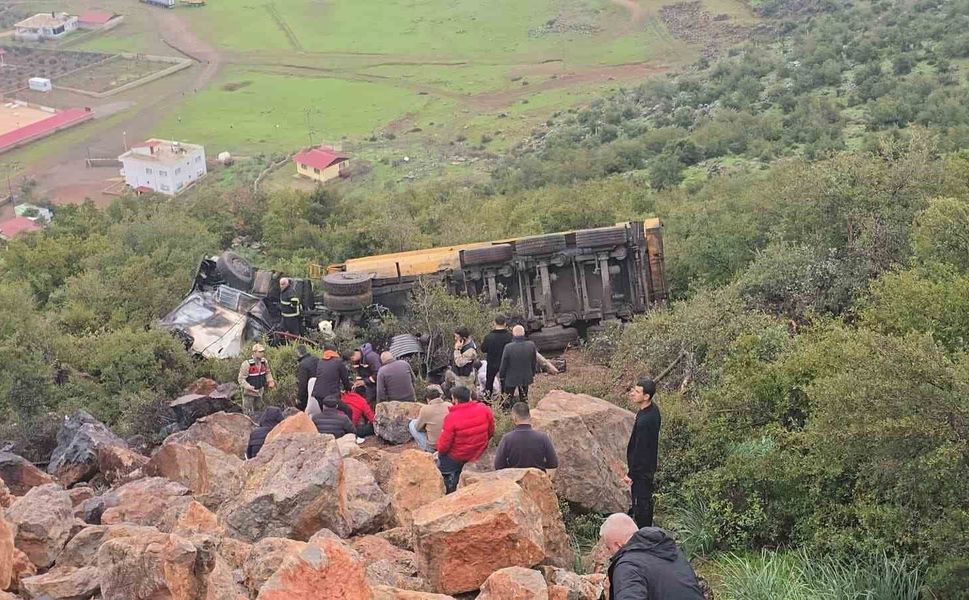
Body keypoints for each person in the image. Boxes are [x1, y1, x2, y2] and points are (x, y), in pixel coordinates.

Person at [599, 513, 704, 600]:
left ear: (618, 545)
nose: (610, 554)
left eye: (609, 548)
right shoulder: (670, 551)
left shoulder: (628, 566)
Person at [436, 385, 495, 493]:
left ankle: (449, 484)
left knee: (441, 459)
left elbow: (443, 446)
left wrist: (440, 451)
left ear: (455, 400)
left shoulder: (451, 418)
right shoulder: (484, 408)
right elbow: (491, 431)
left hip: (458, 456)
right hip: (479, 450)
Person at [624, 377, 661, 528]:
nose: (633, 393)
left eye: (637, 392)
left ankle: (644, 532)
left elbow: (641, 450)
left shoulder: (646, 420)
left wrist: (631, 474)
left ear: (646, 396)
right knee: (643, 500)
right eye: (634, 390)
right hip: (646, 467)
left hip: (642, 470)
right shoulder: (651, 409)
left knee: (641, 503)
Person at [494, 402, 558, 472]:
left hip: (515, 477)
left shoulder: (507, 439)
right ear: (529, 416)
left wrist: (510, 470)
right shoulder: (543, 437)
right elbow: (553, 463)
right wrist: (540, 467)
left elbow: (498, 465)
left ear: (514, 418)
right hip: (537, 477)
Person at [499, 325, 538, 406]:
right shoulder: (531, 345)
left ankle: (507, 410)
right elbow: (533, 361)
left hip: (511, 377)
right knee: (524, 397)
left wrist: (501, 375)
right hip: (525, 375)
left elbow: (504, 363)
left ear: (513, 334)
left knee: (508, 397)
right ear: (523, 333)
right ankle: (524, 410)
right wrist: (533, 372)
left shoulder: (508, 347)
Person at [409, 385, 451, 452]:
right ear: (440, 396)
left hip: (434, 446)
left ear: (427, 399)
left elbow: (417, 428)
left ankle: (426, 449)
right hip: (449, 443)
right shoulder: (449, 405)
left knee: (412, 423)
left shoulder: (425, 409)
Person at [237, 343, 276, 416]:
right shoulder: (247, 364)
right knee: (248, 412)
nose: (262, 353)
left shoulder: (264, 362)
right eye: (260, 352)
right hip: (249, 393)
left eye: (263, 351)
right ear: (254, 352)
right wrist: (248, 387)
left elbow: (267, 372)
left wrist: (270, 381)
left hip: (260, 391)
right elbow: (241, 379)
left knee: (260, 412)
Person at [481, 315, 513, 398]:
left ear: (494, 323)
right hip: (506, 363)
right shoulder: (510, 336)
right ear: (505, 324)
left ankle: (488, 400)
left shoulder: (489, 337)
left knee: (489, 382)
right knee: (505, 383)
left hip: (492, 362)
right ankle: (505, 400)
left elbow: (483, 349)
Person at [447, 327, 478, 391]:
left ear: (464, 338)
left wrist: (457, 350)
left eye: (457, 337)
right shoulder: (462, 344)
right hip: (457, 373)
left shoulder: (470, 350)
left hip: (465, 378)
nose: (455, 339)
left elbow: (459, 363)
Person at [295, 344, 320, 411]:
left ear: (298, 353)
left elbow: (302, 383)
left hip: (309, 393)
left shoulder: (303, 365)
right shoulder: (316, 359)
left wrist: (299, 398)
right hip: (320, 390)